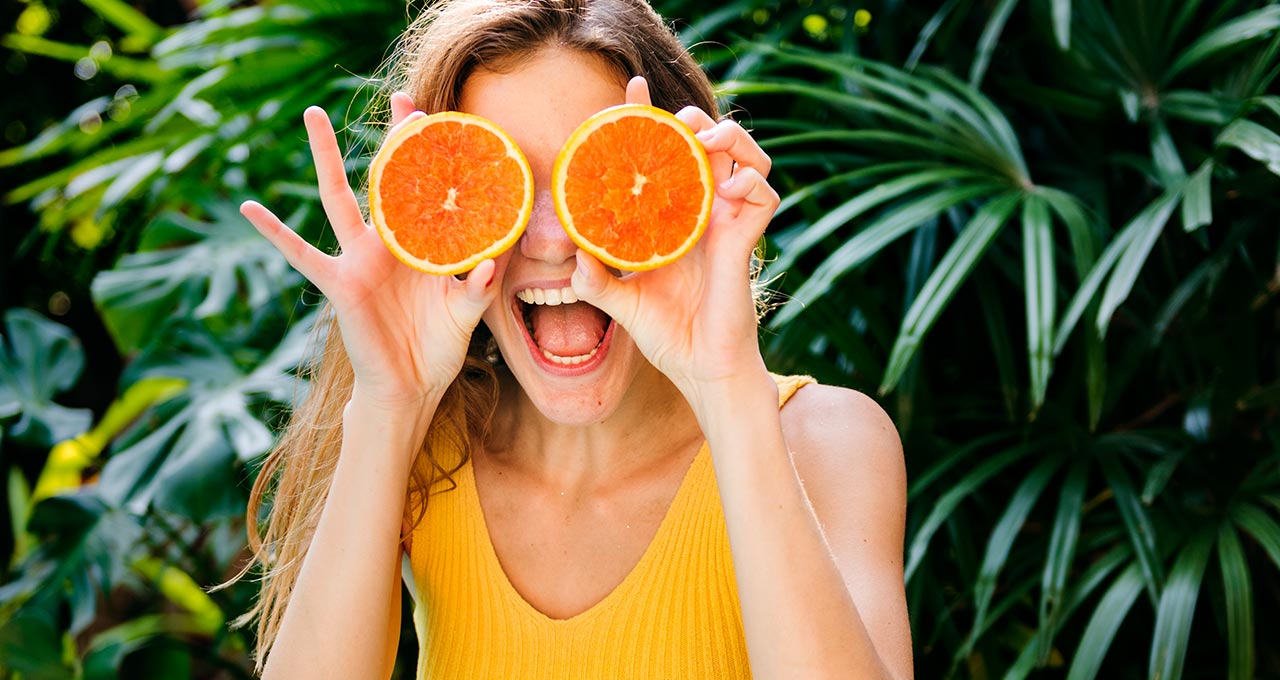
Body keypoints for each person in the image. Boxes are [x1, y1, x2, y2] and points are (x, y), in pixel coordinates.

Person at [227, 0, 912, 677]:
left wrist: (727, 387)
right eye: (508, 186)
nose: (553, 243)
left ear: (684, 187)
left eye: (598, 179)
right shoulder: (428, 451)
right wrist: (390, 405)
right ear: (450, 215)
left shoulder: (828, 443)